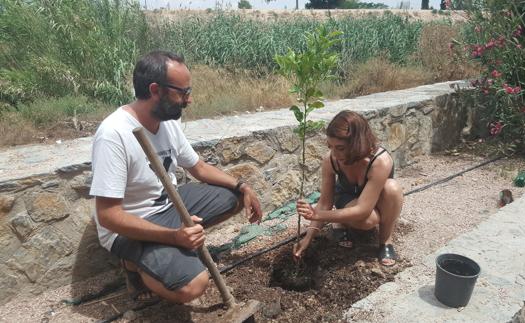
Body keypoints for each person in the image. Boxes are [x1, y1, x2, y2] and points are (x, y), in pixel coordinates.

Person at [89, 50, 262, 304]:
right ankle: (135, 265)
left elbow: (199, 168)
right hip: (131, 226)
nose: (188, 100)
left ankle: (173, 250)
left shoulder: (166, 121)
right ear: (155, 90)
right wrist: (173, 236)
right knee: (193, 286)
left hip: (170, 205)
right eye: (183, 92)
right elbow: (108, 217)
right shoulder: (114, 134)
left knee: (234, 196)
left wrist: (243, 185)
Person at [293, 110, 403, 266]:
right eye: (331, 147)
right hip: (346, 197)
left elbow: (363, 209)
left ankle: (385, 241)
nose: (334, 153)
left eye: (340, 148)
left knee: (392, 188)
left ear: (358, 143)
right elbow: (325, 203)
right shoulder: (331, 160)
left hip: (372, 200)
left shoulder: (380, 161)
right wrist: (308, 238)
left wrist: (318, 215)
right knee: (368, 221)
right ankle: (341, 223)